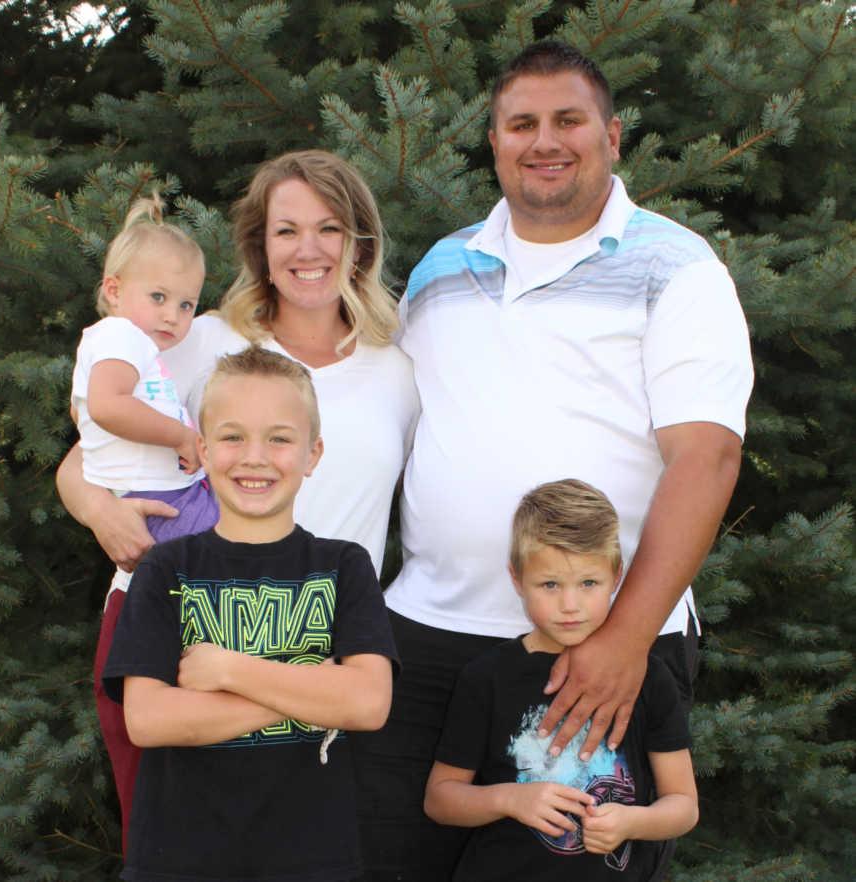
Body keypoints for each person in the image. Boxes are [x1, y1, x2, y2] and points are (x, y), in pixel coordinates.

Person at [357, 40, 752, 879]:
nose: (546, 140)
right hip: (428, 638)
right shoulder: (439, 271)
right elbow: (364, 413)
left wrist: (626, 639)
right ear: (494, 142)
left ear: (611, 135)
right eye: (521, 123)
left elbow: (708, 459)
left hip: (598, 646)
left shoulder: (679, 268)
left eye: (568, 120)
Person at [56, 150, 418, 850]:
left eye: (330, 228)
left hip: (323, 639)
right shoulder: (205, 341)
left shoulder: (398, 367)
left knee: (303, 852)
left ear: (360, 243)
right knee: (172, 844)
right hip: (179, 621)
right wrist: (101, 512)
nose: (307, 250)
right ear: (259, 245)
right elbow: (84, 459)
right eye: (286, 231)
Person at [102, 344, 398, 881]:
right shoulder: (166, 568)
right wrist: (316, 690)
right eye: (233, 436)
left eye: (280, 438)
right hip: (180, 858)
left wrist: (231, 672)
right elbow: (149, 720)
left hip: (315, 858)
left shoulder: (344, 565)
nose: (254, 456)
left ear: (313, 454)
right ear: (203, 450)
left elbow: (369, 702)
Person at [424, 480, 698, 881]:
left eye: (588, 583)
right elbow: (441, 799)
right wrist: (508, 798)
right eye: (550, 584)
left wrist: (630, 823)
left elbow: (683, 804)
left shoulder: (647, 676)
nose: (570, 605)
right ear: (517, 579)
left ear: (616, 576)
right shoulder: (486, 678)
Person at [70, 192, 219, 849]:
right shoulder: (115, 337)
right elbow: (104, 406)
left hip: (169, 500)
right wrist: (184, 438)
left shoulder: (137, 343)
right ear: (114, 290)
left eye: (185, 304)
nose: (175, 316)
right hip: (163, 507)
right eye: (159, 297)